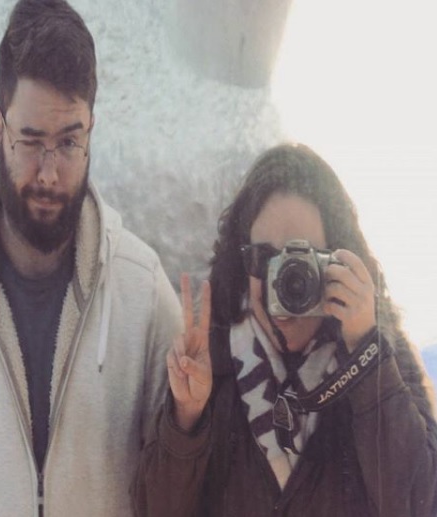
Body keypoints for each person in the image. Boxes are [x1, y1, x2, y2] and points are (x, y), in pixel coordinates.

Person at [0, 0, 182, 515]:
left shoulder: (143, 290)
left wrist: (192, 419)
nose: (48, 172)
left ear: (91, 130)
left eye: (69, 142)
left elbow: (174, 487)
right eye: (31, 140)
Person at [132, 143, 437, 516]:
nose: (283, 281)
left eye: (303, 261)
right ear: (241, 262)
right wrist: (186, 420)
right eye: (263, 258)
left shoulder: (381, 362)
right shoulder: (210, 364)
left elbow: (419, 504)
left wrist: (366, 358)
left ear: (340, 262)